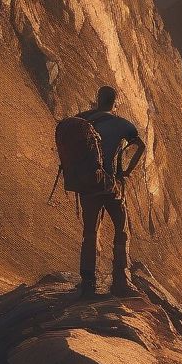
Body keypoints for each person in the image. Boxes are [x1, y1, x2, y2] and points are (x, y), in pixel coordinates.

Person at [76, 85, 146, 297]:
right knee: (122, 228)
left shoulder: (82, 120)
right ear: (115, 102)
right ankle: (121, 280)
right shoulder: (122, 124)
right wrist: (125, 171)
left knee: (90, 232)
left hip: (88, 186)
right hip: (110, 185)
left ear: (98, 100)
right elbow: (140, 146)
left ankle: (88, 282)